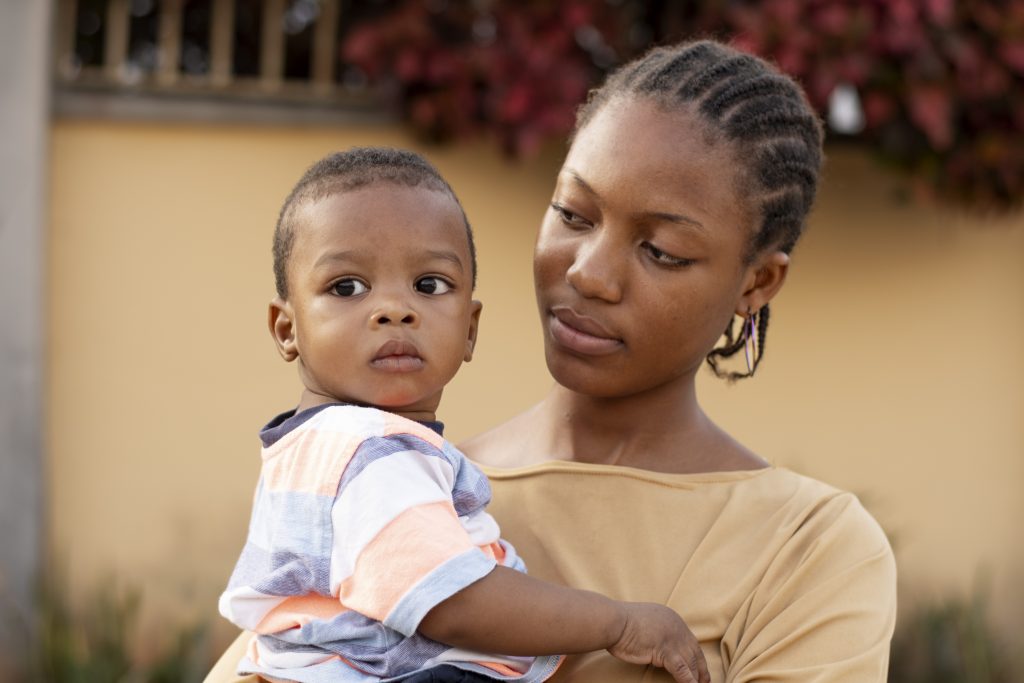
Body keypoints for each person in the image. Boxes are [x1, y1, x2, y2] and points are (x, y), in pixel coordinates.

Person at [207, 38, 897, 683]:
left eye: (661, 251)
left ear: (756, 283)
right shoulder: (394, 485)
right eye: (573, 214)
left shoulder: (809, 549)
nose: (590, 273)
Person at [216, 146, 709, 683]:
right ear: (287, 329)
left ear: (469, 328)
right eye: (347, 288)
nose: (395, 309)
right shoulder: (369, 449)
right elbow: (453, 602)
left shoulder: (313, 447)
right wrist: (617, 622)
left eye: (429, 285)